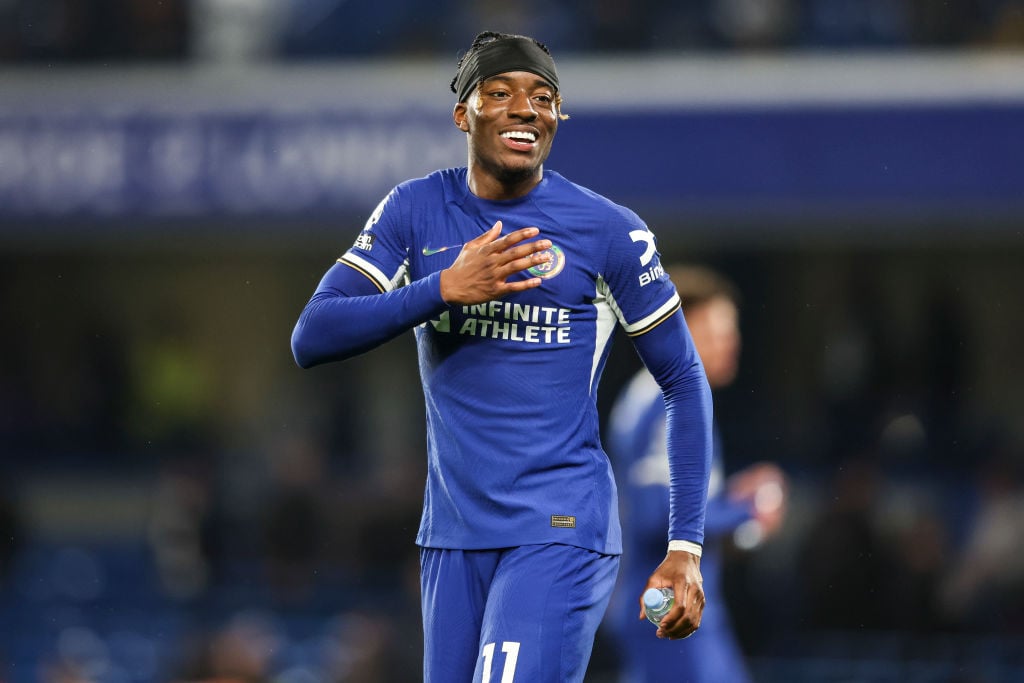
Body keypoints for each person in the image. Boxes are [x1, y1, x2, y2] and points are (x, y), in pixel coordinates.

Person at [291, 31, 713, 682]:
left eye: (543, 97)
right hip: (453, 534)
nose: (526, 108)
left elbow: (683, 377)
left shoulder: (607, 229)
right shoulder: (415, 210)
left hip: (559, 524)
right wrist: (441, 289)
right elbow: (312, 335)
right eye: (501, 92)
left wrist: (685, 545)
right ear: (464, 114)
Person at [604, 264, 788, 683]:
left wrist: (729, 500)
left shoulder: (671, 399)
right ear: (684, 331)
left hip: (676, 606)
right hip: (664, 606)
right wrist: (749, 512)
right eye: (721, 332)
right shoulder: (663, 405)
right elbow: (655, 516)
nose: (733, 345)